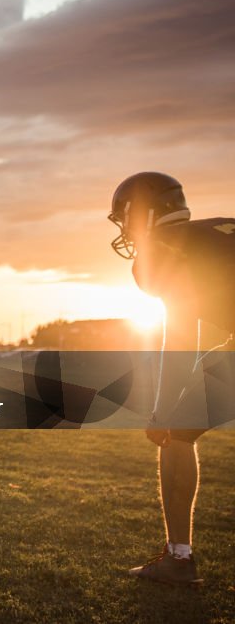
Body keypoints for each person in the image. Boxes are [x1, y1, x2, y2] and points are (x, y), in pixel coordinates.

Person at [108, 172, 235, 586]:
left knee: (175, 432)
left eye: (125, 218)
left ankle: (179, 558)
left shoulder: (162, 254)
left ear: (142, 213)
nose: (125, 230)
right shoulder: (221, 226)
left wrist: (161, 410)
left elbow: (180, 336)